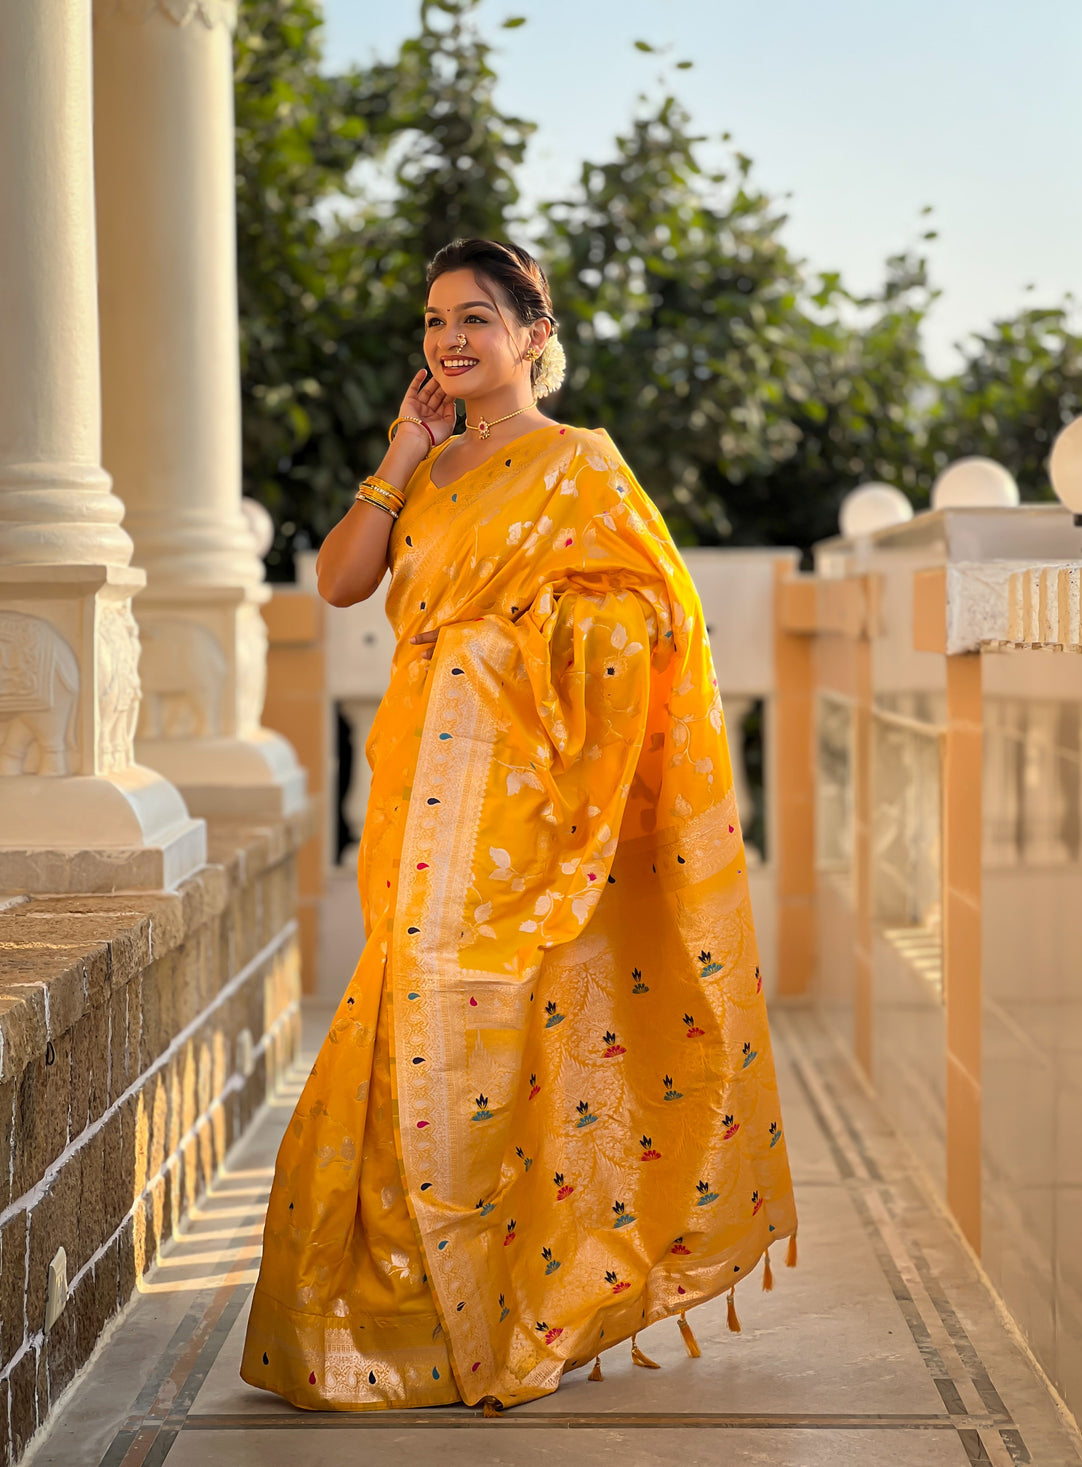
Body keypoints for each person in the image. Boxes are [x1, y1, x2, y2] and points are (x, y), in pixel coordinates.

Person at [240, 237, 796, 1414]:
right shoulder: (430, 471)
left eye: (477, 319)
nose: (451, 339)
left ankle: (508, 1308)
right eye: (436, 320)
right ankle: (401, 1315)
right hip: (415, 786)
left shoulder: (579, 464)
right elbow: (342, 582)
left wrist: (521, 644)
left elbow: (655, 618)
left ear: (533, 336)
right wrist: (401, 451)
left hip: (525, 793)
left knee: (500, 1024)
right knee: (406, 1011)